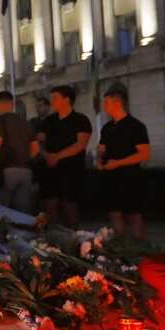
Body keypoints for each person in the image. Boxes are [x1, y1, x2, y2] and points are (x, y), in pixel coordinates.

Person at [97, 90, 151, 239]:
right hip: (111, 178)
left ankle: (139, 247)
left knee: (134, 214)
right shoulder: (107, 128)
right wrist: (99, 160)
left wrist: (118, 163)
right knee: (114, 213)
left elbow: (144, 154)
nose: (104, 106)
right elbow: (102, 148)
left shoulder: (136, 126)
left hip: (130, 177)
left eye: (106, 102)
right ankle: (120, 247)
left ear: (118, 103)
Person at [38, 85, 92, 228]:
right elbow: (39, 142)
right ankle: (51, 241)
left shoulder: (81, 120)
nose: (52, 101)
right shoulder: (48, 121)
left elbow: (81, 144)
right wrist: (46, 155)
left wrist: (57, 156)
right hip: (50, 171)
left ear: (67, 99)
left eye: (55, 98)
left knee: (70, 209)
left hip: (71, 171)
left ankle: (74, 242)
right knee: (50, 208)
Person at [0, 91, 38, 212]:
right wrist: (23, 159)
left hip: (6, 172)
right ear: (12, 103)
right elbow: (35, 149)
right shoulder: (25, 122)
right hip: (26, 172)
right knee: (22, 214)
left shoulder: (0, 120)